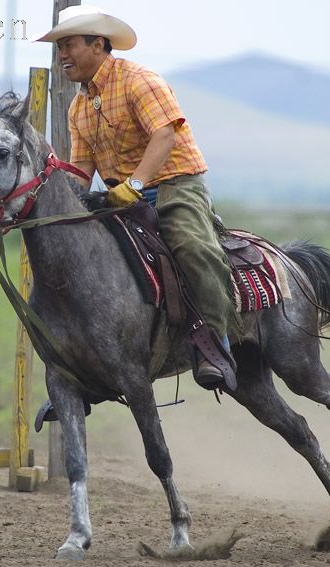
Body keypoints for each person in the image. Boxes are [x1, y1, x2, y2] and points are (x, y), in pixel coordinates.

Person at [36, 5, 237, 390]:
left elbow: (165, 135)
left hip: (175, 184)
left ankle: (216, 345)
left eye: (69, 45)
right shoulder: (78, 106)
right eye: (59, 47)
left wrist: (137, 184)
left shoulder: (139, 80)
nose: (61, 55)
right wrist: (59, 197)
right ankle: (80, 368)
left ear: (98, 45)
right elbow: (80, 168)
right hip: (121, 196)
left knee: (194, 248)